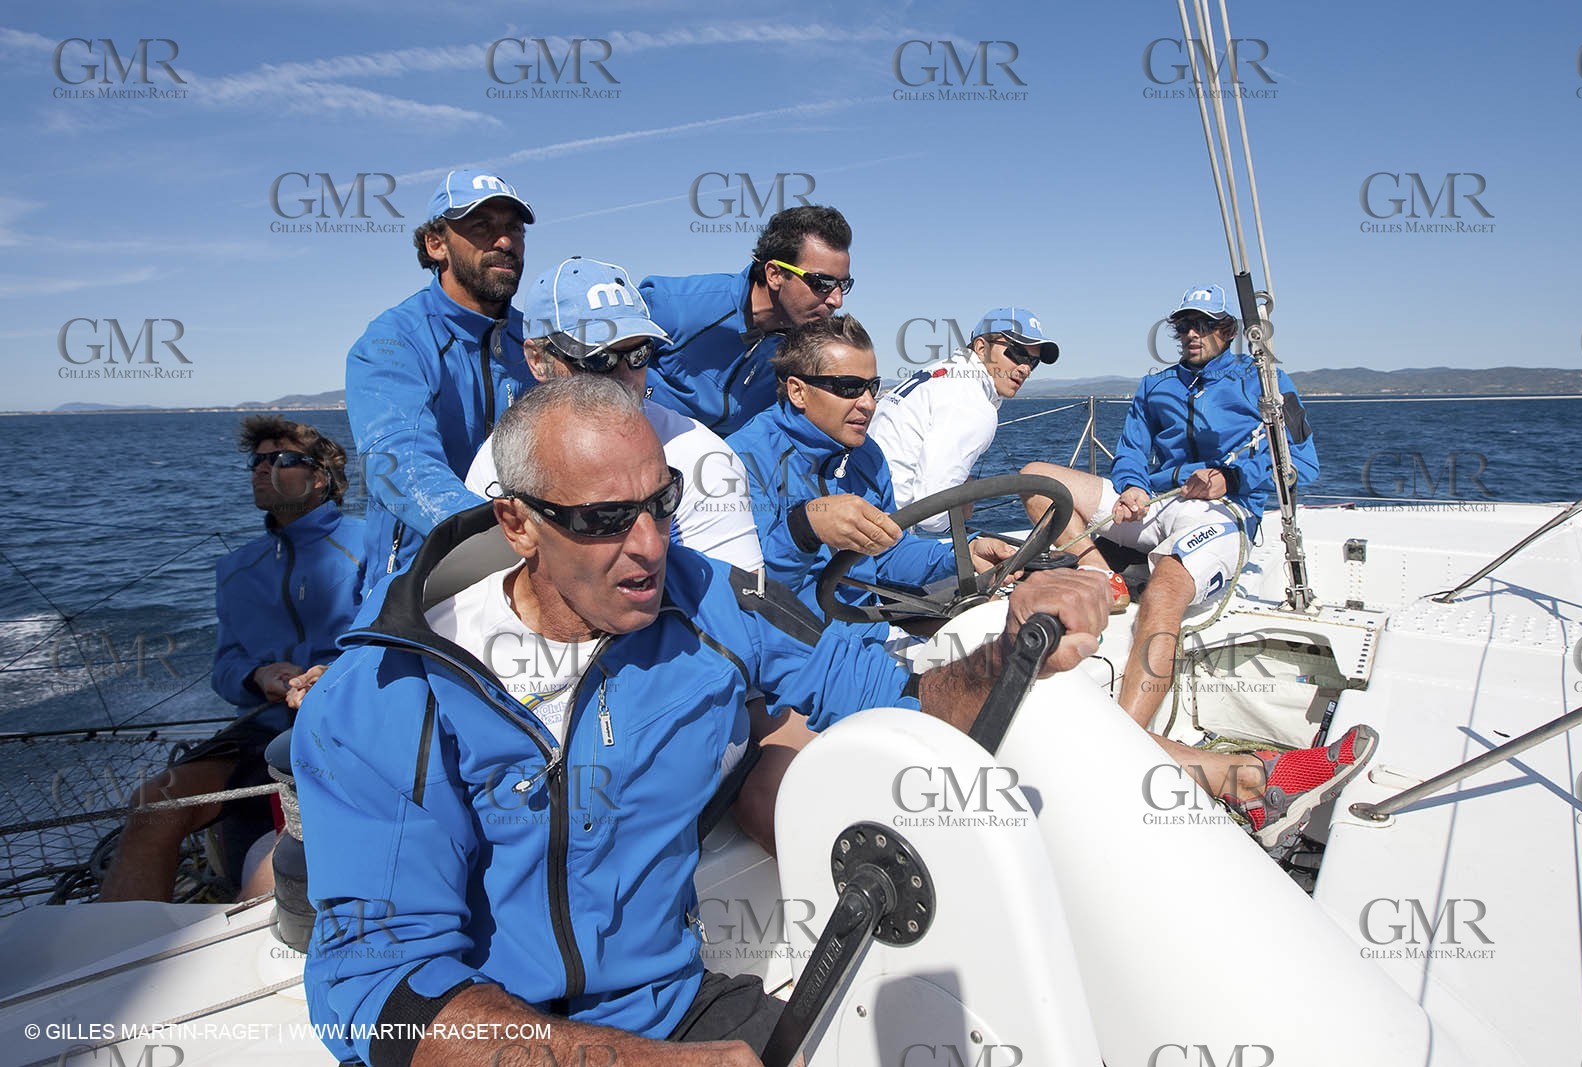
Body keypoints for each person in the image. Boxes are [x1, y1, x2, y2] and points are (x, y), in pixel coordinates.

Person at [293, 375, 1119, 1066]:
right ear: (518, 525)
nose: (650, 544)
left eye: (662, 501)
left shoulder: (710, 599)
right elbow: (380, 994)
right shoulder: (386, 694)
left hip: (678, 1011)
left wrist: (1013, 643)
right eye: (605, 518)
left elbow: (893, 696)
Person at [1021, 283, 1355, 845]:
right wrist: (1127, 486)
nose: (1192, 334)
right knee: (1038, 479)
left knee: (1167, 585)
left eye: (1204, 324)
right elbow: (1131, 450)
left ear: (1228, 330)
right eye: (1184, 325)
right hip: (1156, 504)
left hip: (1222, 511)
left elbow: (1304, 464)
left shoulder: (1266, 383)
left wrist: (1233, 478)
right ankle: (1103, 574)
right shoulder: (1155, 387)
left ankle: (1120, 741)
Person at [99, 416, 363, 902]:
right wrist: (258, 675)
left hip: (346, 728)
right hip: (260, 731)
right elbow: (224, 668)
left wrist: (334, 675)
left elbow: (397, 641)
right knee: (153, 804)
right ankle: (107, 965)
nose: (262, 469)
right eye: (256, 461)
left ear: (322, 477)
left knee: (272, 864)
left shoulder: (368, 547)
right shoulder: (237, 569)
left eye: (281, 459)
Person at [465, 255, 763, 573]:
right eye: (596, 359)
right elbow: (479, 586)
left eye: (639, 353)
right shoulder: (500, 455)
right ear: (537, 360)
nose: (624, 375)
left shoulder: (703, 459)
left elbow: (736, 613)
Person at [727, 315, 1013, 622]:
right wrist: (802, 531)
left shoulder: (867, 455)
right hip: (796, 653)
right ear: (798, 391)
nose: (869, 403)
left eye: (871, 387)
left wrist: (961, 555)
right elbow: (745, 599)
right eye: (849, 387)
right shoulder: (742, 462)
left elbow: (888, 552)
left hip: (868, 634)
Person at [346, 169, 538, 595]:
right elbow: (399, 464)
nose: (504, 242)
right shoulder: (391, 342)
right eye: (482, 227)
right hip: (421, 585)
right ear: (436, 244)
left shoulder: (539, 343)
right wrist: (504, 542)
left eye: (513, 229)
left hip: (532, 575)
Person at [640, 204, 853, 434]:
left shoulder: (806, 348)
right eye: (822, 283)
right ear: (775, 274)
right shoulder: (676, 306)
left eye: (843, 285)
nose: (837, 300)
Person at [871, 307, 1060, 534]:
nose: (1025, 368)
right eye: (1017, 353)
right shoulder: (973, 404)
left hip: (860, 511)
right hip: (882, 534)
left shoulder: (941, 373)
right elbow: (932, 515)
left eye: (1033, 362)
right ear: (981, 348)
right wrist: (963, 504)